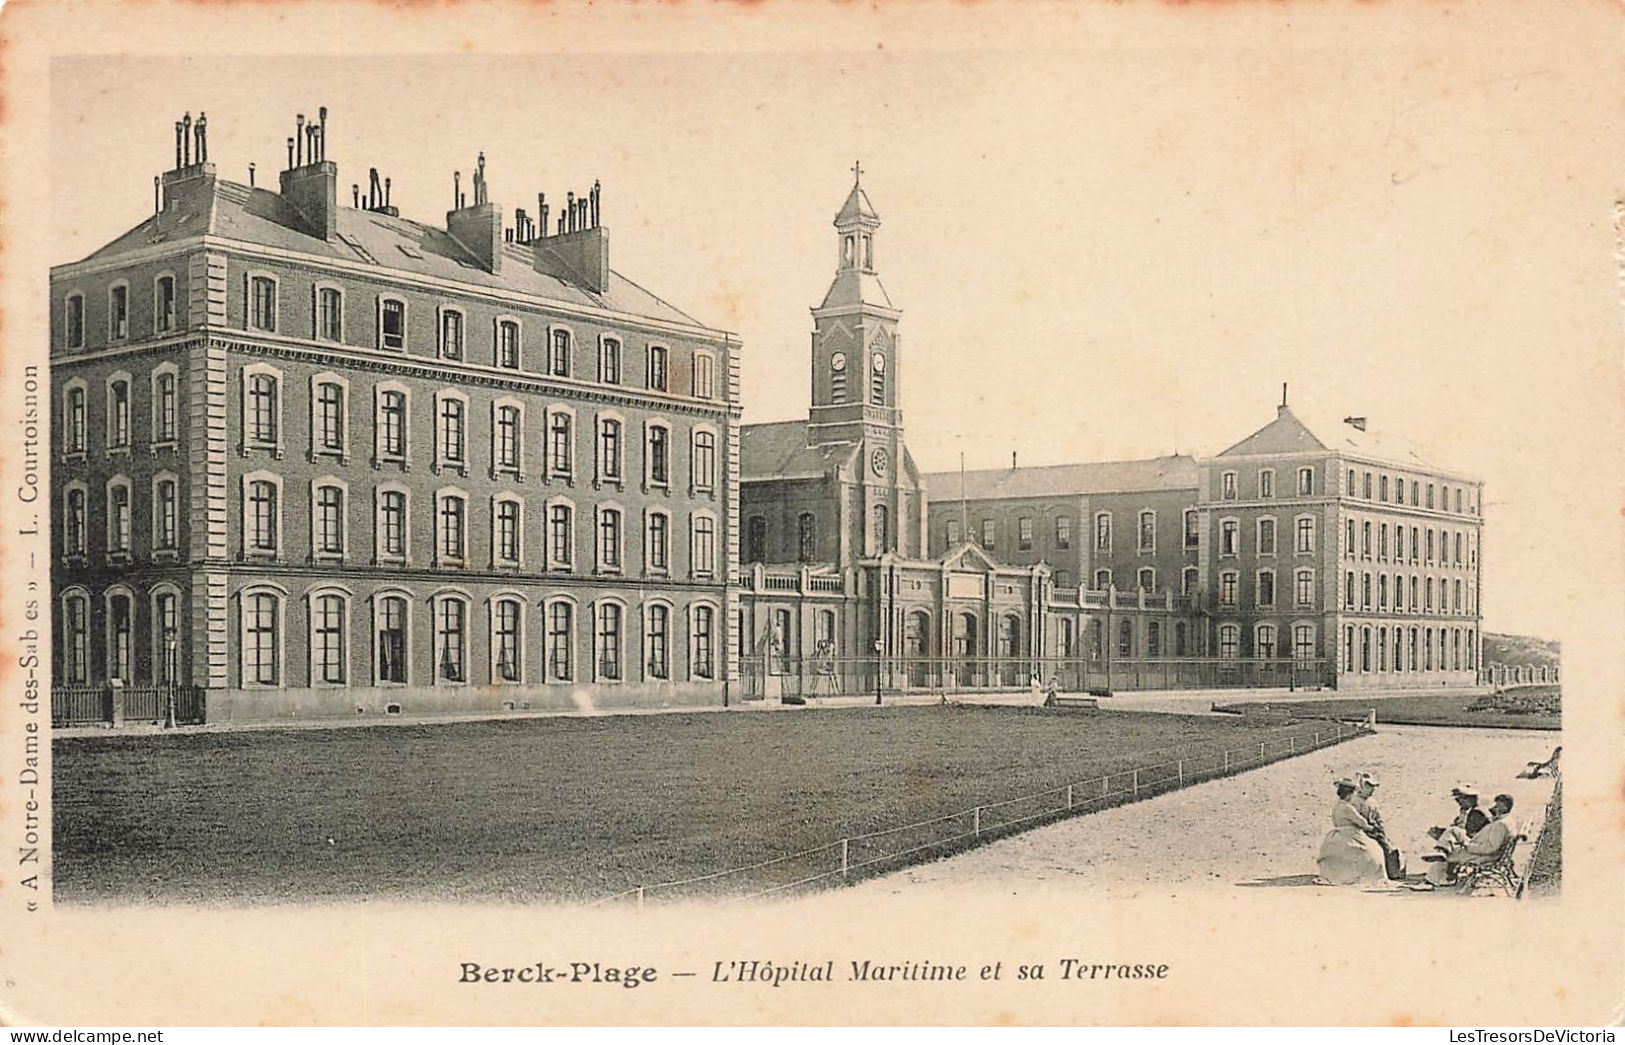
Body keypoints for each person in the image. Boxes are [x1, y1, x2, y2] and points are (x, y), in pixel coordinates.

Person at [1417, 794, 1515, 889]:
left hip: (1483, 856)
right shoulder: (1506, 821)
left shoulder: (1501, 825)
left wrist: (1467, 845)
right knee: (1453, 830)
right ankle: (1441, 852)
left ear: (1504, 807)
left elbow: (1490, 849)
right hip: (1481, 848)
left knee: (1449, 851)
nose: (1494, 808)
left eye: (1497, 806)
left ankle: (1433, 879)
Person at [1316, 778, 1386, 885]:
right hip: (1351, 834)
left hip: (1336, 834)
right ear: (1349, 794)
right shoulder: (1348, 808)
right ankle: (1364, 876)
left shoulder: (1337, 806)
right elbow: (1361, 822)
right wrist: (1373, 829)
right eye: (1353, 793)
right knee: (1374, 851)